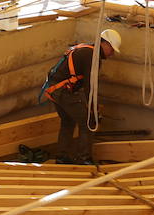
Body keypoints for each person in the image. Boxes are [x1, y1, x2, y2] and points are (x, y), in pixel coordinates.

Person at [41, 28, 121, 163]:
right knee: (88, 122)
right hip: (62, 90)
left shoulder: (86, 50)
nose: (112, 53)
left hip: (54, 89)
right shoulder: (92, 56)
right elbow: (90, 85)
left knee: (68, 121)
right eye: (112, 49)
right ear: (105, 43)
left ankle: (61, 156)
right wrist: (94, 110)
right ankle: (85, 158)